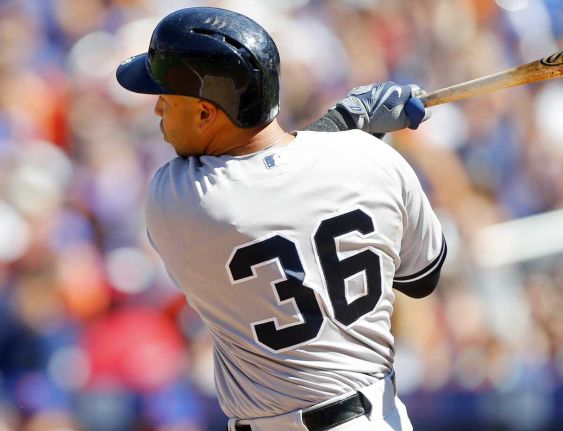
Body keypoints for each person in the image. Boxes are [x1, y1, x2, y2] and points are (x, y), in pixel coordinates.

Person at [116, 7, 447, 431]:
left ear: (205, 114)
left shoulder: (176, 201)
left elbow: (264, 182)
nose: (157, 109)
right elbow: (421, 279)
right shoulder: (376, 160)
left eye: (167, 97)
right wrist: (350, 133)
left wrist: (344, 121)